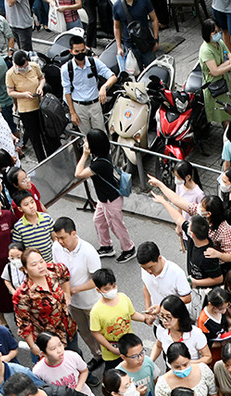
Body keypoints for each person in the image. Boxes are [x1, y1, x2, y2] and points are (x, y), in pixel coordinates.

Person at [75, 130, 137, 262]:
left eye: (87, 141)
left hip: (111, 201)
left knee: (117, 226)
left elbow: (78, 173)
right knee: (98, 221)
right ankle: (106, 246)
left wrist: (85, 154)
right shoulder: (101, 155)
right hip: (103, 199)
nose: (84, 143)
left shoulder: (99, 164)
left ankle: (129, 249)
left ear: (94, 146)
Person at [60, 32, 119, 134]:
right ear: (71, 51)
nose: (80, 53)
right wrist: (72, 112)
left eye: (83, 50)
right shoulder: (66, 69)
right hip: (79, 107)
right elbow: (67, 91)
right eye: (77, 51)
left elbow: (112, 77)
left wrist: (104, 87)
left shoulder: (93, 63)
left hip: (95, 104)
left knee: (101, 134)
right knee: (86, 136)